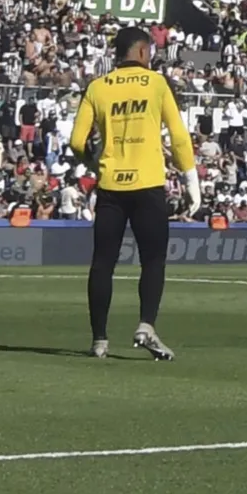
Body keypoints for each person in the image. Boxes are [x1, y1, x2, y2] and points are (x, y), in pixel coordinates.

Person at [68, 25, 201, 359]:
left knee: (102, 264)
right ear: (143, 52)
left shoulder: (97, 87)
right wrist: (190, 180)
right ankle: (146, 325)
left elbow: (76, 141)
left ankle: (99, 339)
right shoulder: (156, 83)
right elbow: (179, 136)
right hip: (148, 184)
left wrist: (92, 161)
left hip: (112, 186)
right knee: (152, 261)